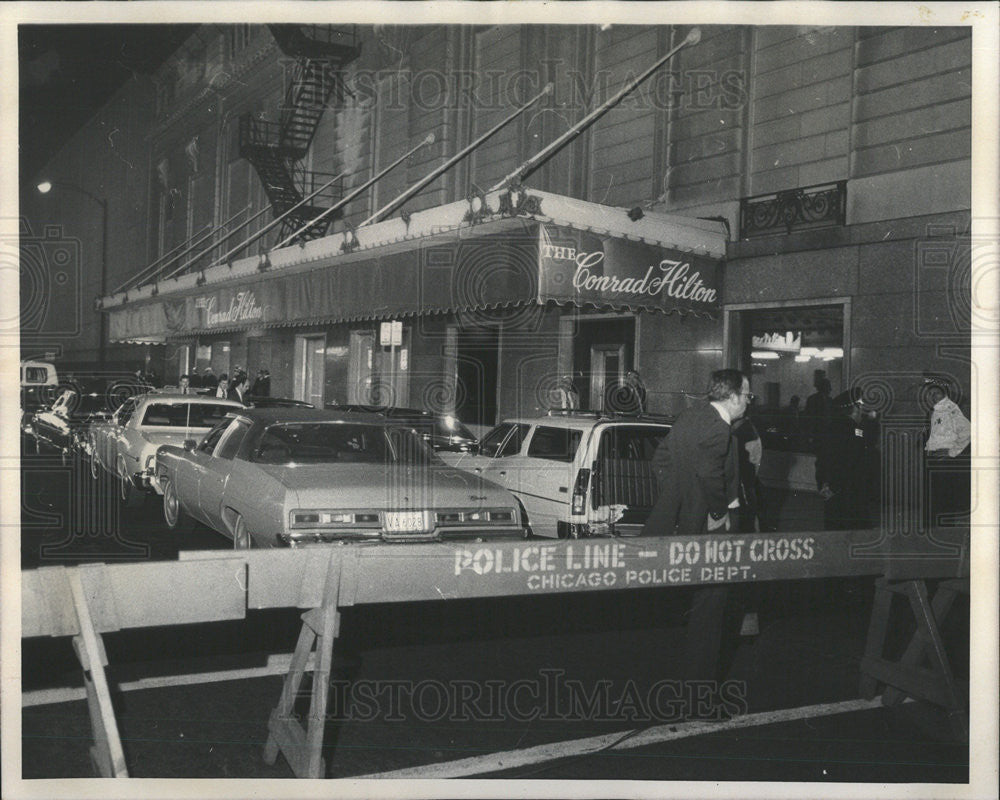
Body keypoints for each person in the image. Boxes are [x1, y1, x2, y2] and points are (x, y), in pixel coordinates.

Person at [641, 369, 751, 685]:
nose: (748, 401)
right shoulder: (720, 429)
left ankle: (695, 686)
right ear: (732, 397)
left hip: (686, 524)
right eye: (747, 395)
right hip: (713, 529)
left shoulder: (691, 416)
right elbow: (708, 473)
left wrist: (679, 498)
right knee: (711, 611)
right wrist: (718, 511)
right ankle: (700, 696)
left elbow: (660, 459)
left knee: (702, 608)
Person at [816, 387, 879, 530]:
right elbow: (849, 460)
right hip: (849, 492)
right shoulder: (852, 430)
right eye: (861, 405)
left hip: (834, 490)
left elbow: (822, 459)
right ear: (855, 408)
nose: (863, 409)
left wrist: (824, 484)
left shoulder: (835, 427)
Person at [922, 376, 971, 526]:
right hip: (932, 459)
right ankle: (933, 530)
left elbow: (968, 432)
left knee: (943, 499)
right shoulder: (935, 410)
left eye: (936, 393)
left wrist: (952, 452)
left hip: (943, 461)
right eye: (930, 393)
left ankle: (945, 533)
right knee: (932, 498)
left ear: (944, 393)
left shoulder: (950, 409)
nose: (932, 396)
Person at [804, 374, 833, 451]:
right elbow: (809, 418)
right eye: (828, 387)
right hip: (817, 433)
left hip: (824, 433)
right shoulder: (813, 400)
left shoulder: (829, 400)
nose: (830, 389)